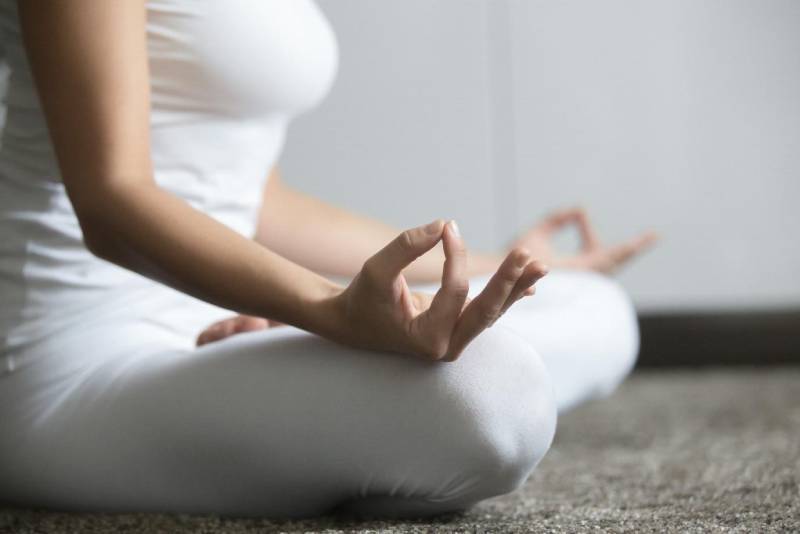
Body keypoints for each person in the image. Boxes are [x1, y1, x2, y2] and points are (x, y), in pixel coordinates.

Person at [0, 0, 656, 519]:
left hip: (238, 313)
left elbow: (263, 205)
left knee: (598, 307)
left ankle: (341, 441)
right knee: (494, 395)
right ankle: (362, 440)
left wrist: (503, 268)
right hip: (72, 355)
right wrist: (324, 311)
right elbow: (111, 201)